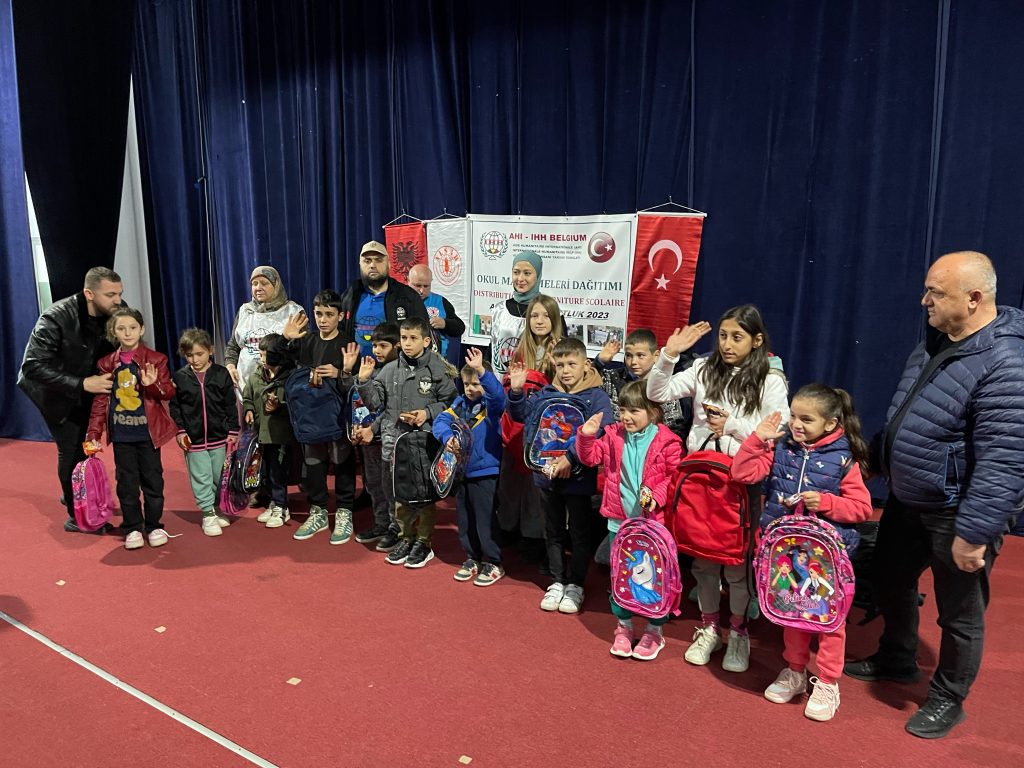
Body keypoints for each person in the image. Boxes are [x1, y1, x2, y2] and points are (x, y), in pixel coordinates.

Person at [844, 251, 1024, 739]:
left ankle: (948, 697)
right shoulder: (936, 340)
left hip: (957, 512)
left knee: (959, 614)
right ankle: (897, 658)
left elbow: (1006, 458)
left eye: (936, 293)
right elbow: (909, 413)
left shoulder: (1007, 362)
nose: (924, 300)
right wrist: (876, 458)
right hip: (910, 497)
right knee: (890, 578)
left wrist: (976, 532)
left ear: (974, 298)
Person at [646, 304, 790, 673]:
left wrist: (732, 426)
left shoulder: (770, 379)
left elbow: (778, 428)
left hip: (740, 481)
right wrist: (669, 354)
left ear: (756, 340)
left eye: (737, 337)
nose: (727, 344)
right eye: (723, 336)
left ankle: (738, 632)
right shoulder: (703, 368)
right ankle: (709, 627)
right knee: (703, 561)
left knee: (736, 565)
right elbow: (657, 392)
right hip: (700, 477)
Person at [731, 385, 873, 722]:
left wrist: (826, 502)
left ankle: (827, 682)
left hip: (825, 561)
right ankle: (795, 672)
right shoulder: (781, 447)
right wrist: (757, 439)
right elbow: (742, 473)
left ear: (830, 423)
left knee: (829, 622)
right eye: (793, 416)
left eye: (806, 419)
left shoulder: (844, 458)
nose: (796, 424)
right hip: (784, 556)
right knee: (791, 613)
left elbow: (862, 508)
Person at [575, 380, 683, 660]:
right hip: (619, 525)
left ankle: (654, 630)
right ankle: (623, 627)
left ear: (653, 412)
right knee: (621, 577)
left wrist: (656, 496)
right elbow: (590, 458)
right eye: (623, 410)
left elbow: (674, 478)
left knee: (654, 580)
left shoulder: (668, 441)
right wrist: (586, 436)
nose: (626, 416)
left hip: (653, 527)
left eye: (634, 410)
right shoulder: (613, 435)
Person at [507, 337, 615, 614]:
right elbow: (520, 416)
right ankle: (557, 581)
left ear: (585, 365)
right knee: (553, 530)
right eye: (560, 364)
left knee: (579, 533)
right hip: (546, 475)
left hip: (578, 477)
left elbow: (601, 432)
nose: (566, 370)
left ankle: (576, 584)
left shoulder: (596, 397)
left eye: (571, 364)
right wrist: (516, 392)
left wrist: (571, 457)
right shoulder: (545, 393)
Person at [18, 266, 123, 532]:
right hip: (52, 392)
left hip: (88, 386)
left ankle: (74, 492)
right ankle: (77, 517)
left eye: (119, 293)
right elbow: (32, 366)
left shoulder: (114, 311)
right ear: (89, 294)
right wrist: (82, 383)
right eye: (110, 295)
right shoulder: (55, 317)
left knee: (85, 443)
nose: (118, 300)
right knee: (72, 447)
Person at [356, 317, 457, 568]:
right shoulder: (389, 370)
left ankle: (423, 541)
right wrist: (364, 381)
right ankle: (405, 536)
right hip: (394, 443)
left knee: (423, 495)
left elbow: (451, 402)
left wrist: (427, 413)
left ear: (426, 341)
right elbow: (375, 404)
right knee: (398, 495)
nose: (408, 343)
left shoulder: (437, 369)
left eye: (413, 338)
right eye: (404, 338)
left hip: (423, 444)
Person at [84, 308, 176, 550]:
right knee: (126, 483)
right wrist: (93, 433)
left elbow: (168, 392)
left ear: (141, 329)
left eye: (133, 327)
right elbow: (100, 402)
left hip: (148, 434)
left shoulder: (156, 359)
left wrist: (152, 385)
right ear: (113, 332)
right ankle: (133, 527)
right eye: (121, 328)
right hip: (122, 435)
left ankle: (154, 525)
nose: (127, 333)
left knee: (153, 481)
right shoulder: (107, 363)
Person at [280, 290, 361, 545]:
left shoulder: (348, 344)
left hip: (337, 417)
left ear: (340, 316)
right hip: (310, 416)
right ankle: (318, 511)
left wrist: (341, 372)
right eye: (318, 314)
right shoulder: (306, 340)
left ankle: (345, 511)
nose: (323, 320)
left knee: (342, 461)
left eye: (329, 314)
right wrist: (285, 339)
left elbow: (358, 386)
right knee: (313, 462)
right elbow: (276, 363)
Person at [433, 348, 507, 586]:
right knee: (465, 519)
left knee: (485, 520)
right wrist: (447, 437)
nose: (470, 389)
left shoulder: (491, 407)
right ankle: (472, 557)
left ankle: (494, 562)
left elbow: (498, 396)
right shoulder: (459, 404)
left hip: (485, 472)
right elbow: (440, 421)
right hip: (461, 472)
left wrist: (483, 372)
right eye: (466, 384)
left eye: (476, 384)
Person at [168, 328, 240, 537]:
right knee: (201, 477)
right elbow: (175, 407)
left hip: (219, 436)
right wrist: (181, 430)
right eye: (189, 355)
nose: (195, 359)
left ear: (210, 350)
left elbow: (230, 404)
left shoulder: (221, 374)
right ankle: (207, 513)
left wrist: (233, 429)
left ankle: (216, 508)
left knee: (219, 476)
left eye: (199, 354)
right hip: (193, 438)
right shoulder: (180, 377)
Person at [594, 327, 695, 442]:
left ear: (656, 356)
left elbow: (675, 427)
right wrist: (599, 362)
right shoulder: (612, 377)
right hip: (617, 443)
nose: (633, 362)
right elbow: (583, 383)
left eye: (640, 355)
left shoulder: (664, 384)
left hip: (654, 446)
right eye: (628, 355)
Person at [352, 323, 402, 551]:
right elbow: (358, 402)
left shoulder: (397, 371)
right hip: (368, 439)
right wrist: (357, 428)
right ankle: (382, 524)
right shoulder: (370, 368)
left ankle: (396, 529)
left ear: (397, 346)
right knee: (373, 484)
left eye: (383, 346)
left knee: (390, 487)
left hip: (387, 439)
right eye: (374, 346)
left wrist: (373, 429)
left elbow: (389, 408)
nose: (377, 350)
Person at [241, 334, 296, 529]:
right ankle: (273, 502)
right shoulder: (256, 376)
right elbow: (247, 397)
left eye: (265, 355)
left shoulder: (290, 378)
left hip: (280, 436)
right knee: (264, 470)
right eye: (261, 354)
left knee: (278, 472)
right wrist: (248, 409)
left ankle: (282, 507)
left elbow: (297, 406)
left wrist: (280, 407)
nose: (262, 359)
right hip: (261, 434)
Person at [340, 240, 429, 357]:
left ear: (389, 264)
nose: (372, 265)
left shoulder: (407, 296)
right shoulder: (351, 294)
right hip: (357, 366)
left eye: (378, 260)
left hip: (396, 366)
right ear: (360, 265)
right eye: (367, 261)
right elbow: (339, 331)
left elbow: (423, 333)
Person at [224, 266, 305, 389]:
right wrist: (230, 366)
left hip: (281, 387)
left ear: (276, 285)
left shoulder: (293, 311)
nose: (258, 288)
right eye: (254, 284)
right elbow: (233, 346)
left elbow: (302, 353)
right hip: (245, 387)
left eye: (264, 283)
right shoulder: (245, 310)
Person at [489, 250, 552, 376]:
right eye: (516, 272)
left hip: (535, 383)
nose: (520, 278)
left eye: (527, 273)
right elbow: (492, 348)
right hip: (500, 382)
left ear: (538, 275)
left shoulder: (548, 310)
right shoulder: (499, 309)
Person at [408, 263, 466, 362]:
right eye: (417, 285)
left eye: (426, 286)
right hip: (406, 359)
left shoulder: (440, 301)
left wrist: (445, 323)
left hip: (436, 360)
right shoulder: (399, 300)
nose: (421, 290)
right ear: (408, 281)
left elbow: (460, 327)